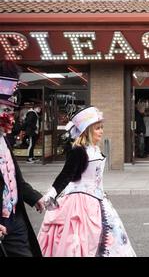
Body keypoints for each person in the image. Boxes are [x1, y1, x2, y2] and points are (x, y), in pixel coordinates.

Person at [37, 106, 136, 257]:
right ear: (88, 130)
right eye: (97, 128)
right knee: (78, 241)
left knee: (110, 236)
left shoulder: (95, 149)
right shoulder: (79, 150)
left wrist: (103, 194)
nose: (101, 131)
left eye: (102, 127)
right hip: (79, 203)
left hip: (98, 200)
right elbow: (66, 175)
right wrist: (51, 194)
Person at [0, 61, 45, 257]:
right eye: (3, 109)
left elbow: (13, 178)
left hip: (14, 219)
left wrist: (34, 197)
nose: (7, 115)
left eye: (9, 109)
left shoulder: (4, 139)